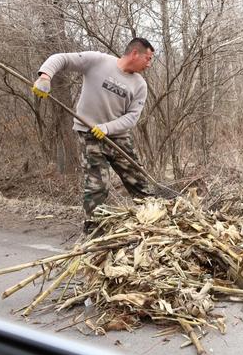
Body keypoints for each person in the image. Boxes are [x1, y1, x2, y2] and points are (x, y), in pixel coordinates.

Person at [32, 38, 155, 233]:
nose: (149, 64)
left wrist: (107, 128)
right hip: (89, 134)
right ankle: (93, 230)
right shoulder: (97, 61)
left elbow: (132, 118)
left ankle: (155, 220)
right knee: (98, 185)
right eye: (148, 59)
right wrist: (45, 77)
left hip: (118, 136)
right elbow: (61, 59)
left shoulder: (140, 85)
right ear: (134, 54)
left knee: (138, 180)